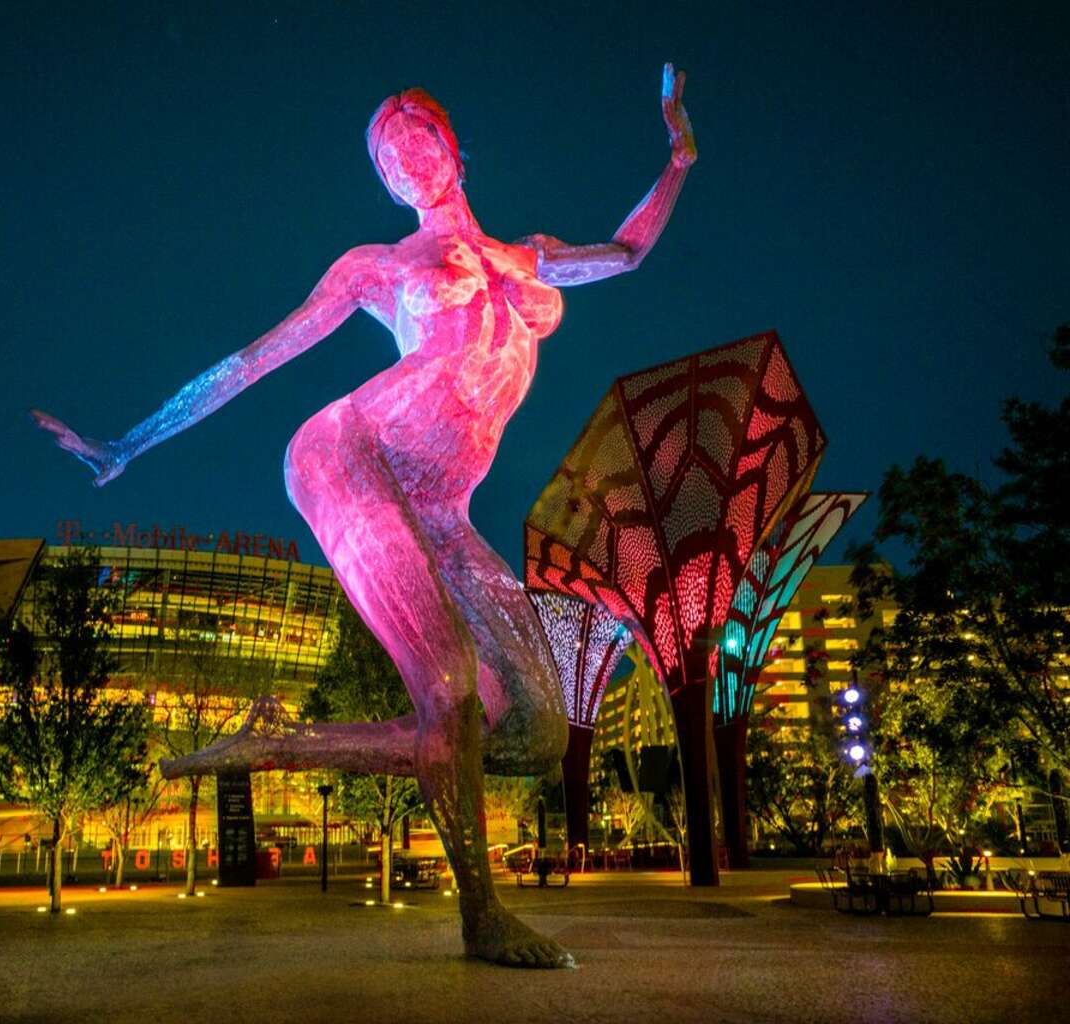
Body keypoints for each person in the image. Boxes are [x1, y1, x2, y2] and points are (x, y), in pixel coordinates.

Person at [34, 66, 695, 968]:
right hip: (351, 455)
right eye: (388, 162)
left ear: (454, 149)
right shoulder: (378, 266)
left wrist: (678, 153)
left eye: (418, 141)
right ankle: (484, 918)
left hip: (442, 506)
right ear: (385, 185)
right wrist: (129, 443)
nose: (406, 164)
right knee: (449, 687)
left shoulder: (529, 257)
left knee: (537, 727)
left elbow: (626, 252)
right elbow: (254, 358)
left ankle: (283, 742)